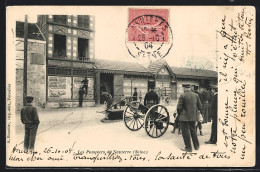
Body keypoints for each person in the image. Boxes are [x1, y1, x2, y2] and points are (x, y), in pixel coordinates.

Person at [177, 84, 202, 152]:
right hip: (193, 117)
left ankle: (188, 148)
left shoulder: (183, 95)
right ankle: (196, 146)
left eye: (183, 88)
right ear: (189, 88)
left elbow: (179, 107)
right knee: (193, 131)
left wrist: (179, 114)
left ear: (184, 88)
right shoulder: (196, 95)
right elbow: (200, 106)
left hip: (184, 117)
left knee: (185, 133)